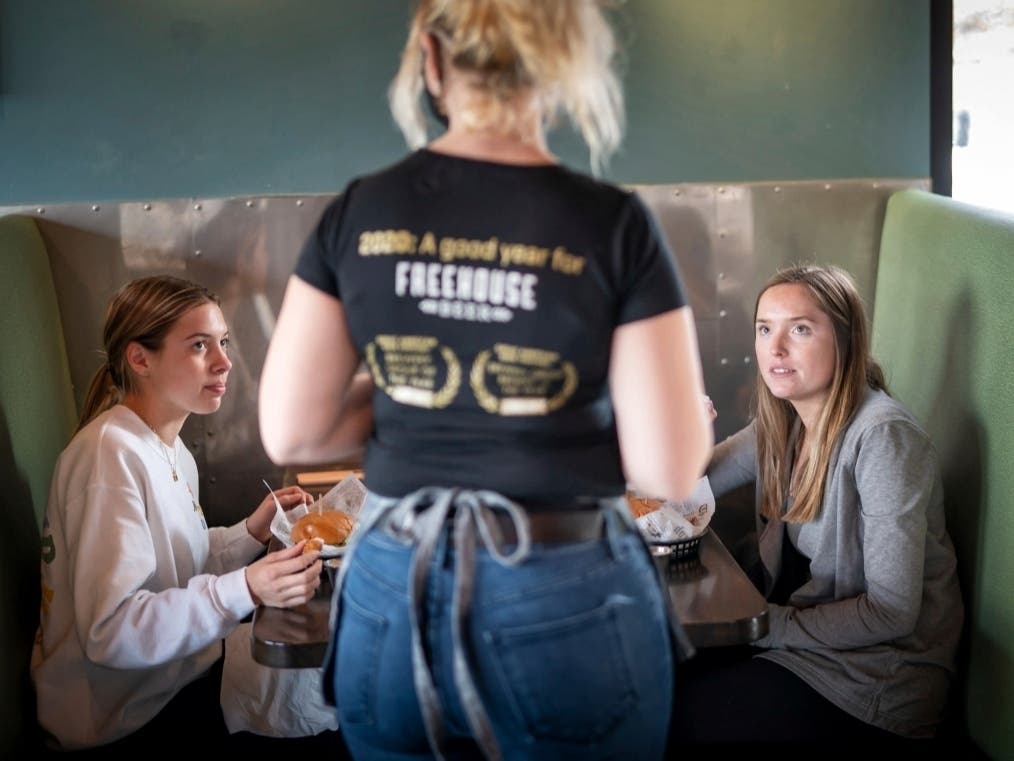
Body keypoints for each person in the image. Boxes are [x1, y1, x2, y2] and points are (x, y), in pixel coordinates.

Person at [258, 1, 713, 758]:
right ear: (559, 66)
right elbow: (668, 464)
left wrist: (415, 396)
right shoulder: (612, 222)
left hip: (392, 590)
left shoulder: (360, 211)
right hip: (567, 586)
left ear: (430, 63)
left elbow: (294, 428)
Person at [31, 275, 326, 753]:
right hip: (122, 720)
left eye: (223, 342)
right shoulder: (110, 457)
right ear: (140, 358)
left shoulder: (164, 446)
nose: (224, 361)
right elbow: (113, 631)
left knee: (332, 687)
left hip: (170, 680)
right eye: (198, 346)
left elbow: (175, 565)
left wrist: (251, 531)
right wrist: (248, 587)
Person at [670, 265, 963, 745]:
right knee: (648, 684)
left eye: (800, 329)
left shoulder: (883, 438)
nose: (775, 349)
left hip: (878, 684)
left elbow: (892, 613)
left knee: (674, 722)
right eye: (765, 329)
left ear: (845, 342)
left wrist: (763, 625)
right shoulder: (783, 422)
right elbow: (690, 488)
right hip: (805, 646)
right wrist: (689, 437)